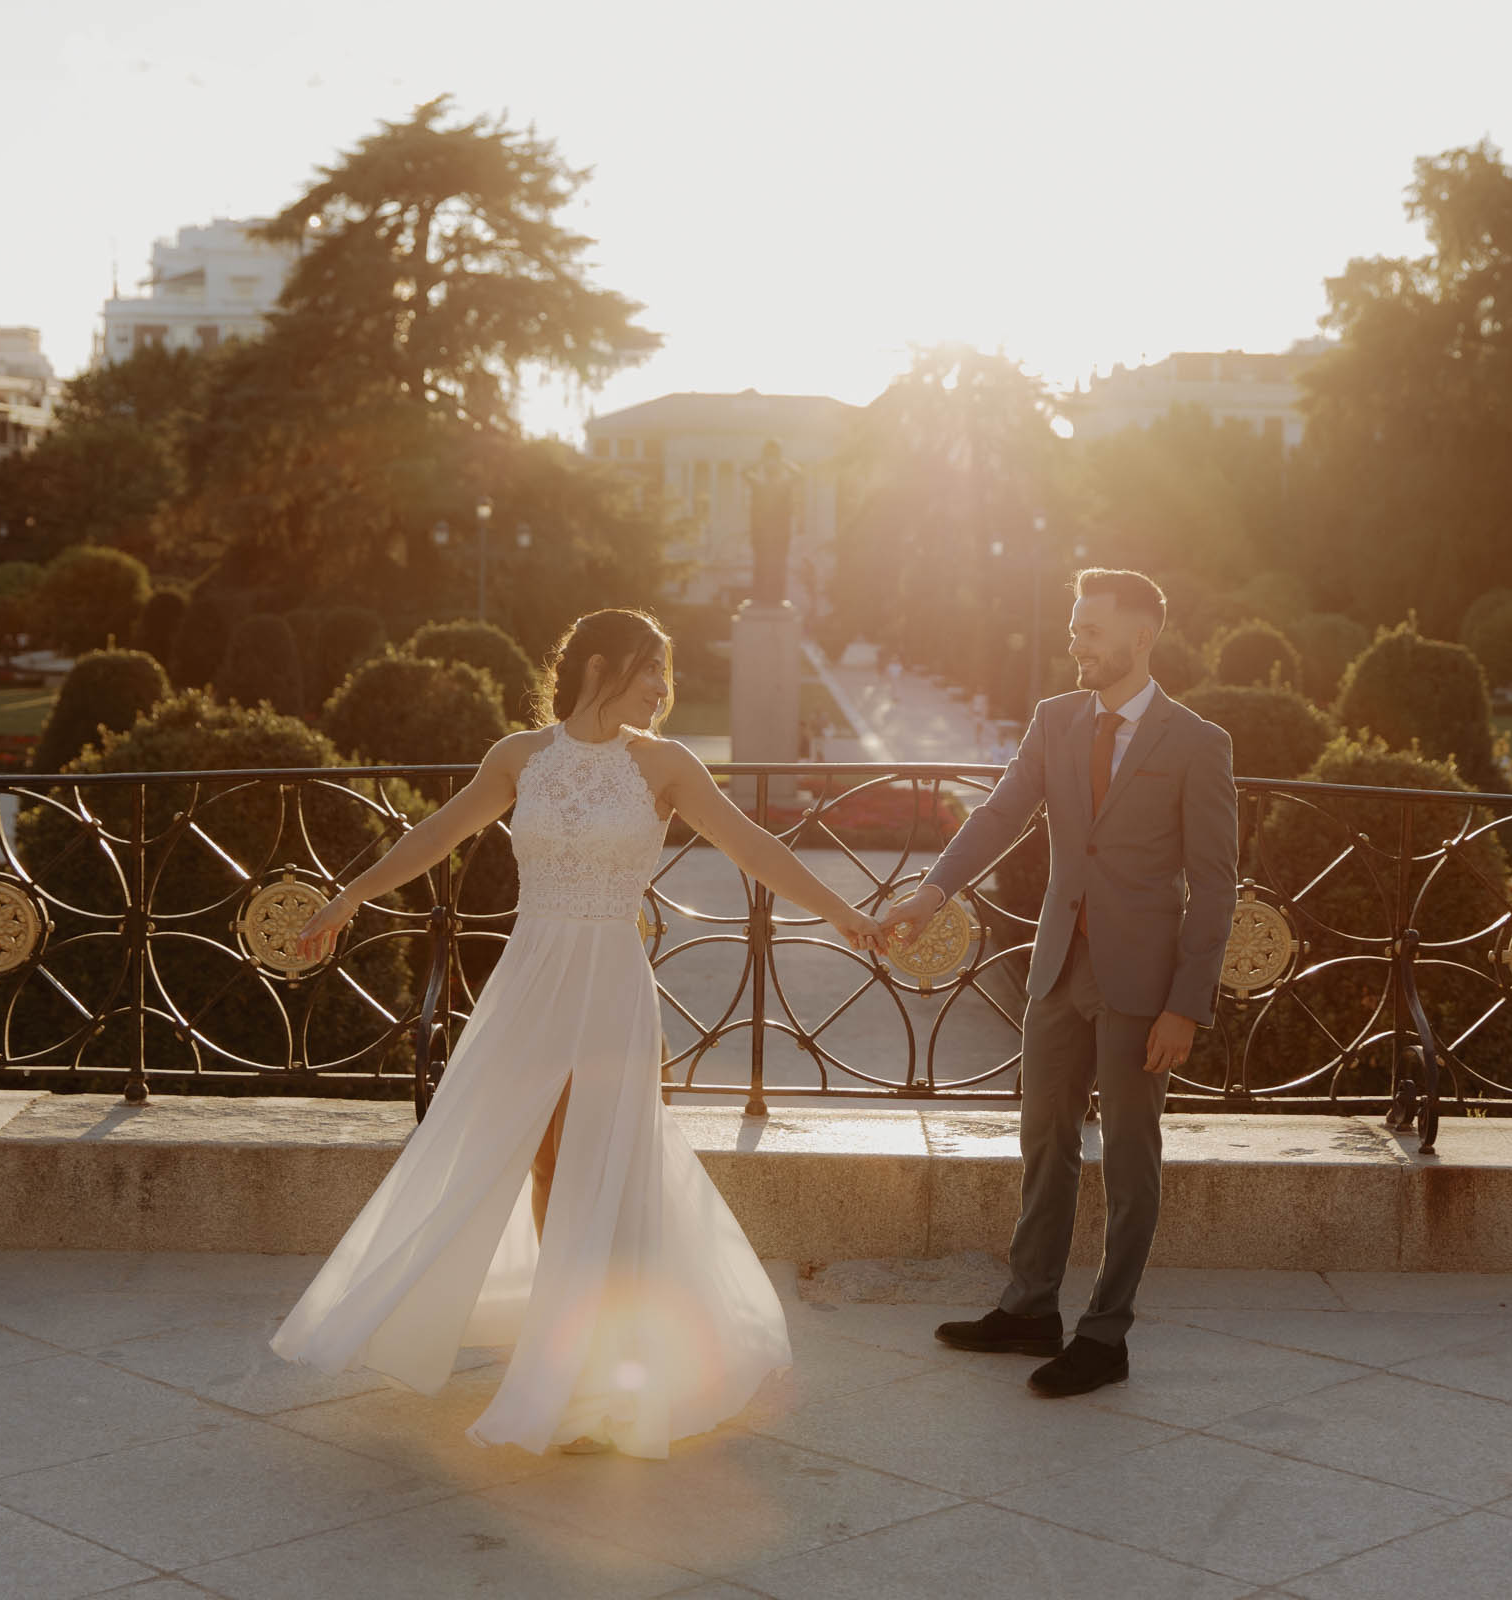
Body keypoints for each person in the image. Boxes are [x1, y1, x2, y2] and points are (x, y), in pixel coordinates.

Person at [273, 608, 884, 1457]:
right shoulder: (519, 757)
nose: (664, 689)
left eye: (666, 675)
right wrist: (348, 897)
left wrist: (846, 913)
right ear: (601, 665)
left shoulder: (665, 765)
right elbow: (437, 833)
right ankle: (554, 1342)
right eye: (652, 670)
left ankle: (596, 1372)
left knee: (603, 1160)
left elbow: (753, 847)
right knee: (542, 1157)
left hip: (608, 985)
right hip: (531, 979)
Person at [873, 569, 1236, 1398]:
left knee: (1132, 1164)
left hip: (1143, 986)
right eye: (1074, 627)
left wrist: (1186, 1003)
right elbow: (1000, 813)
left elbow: (1215, 886)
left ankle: (1105, 1335)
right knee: (1045, 1141)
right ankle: (1031, 1306)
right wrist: (933, 893)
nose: (1075, 642)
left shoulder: (1196, 743)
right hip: (1056, 972)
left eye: (1091, 629)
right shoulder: (1055, 720)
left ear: (1140, 636)